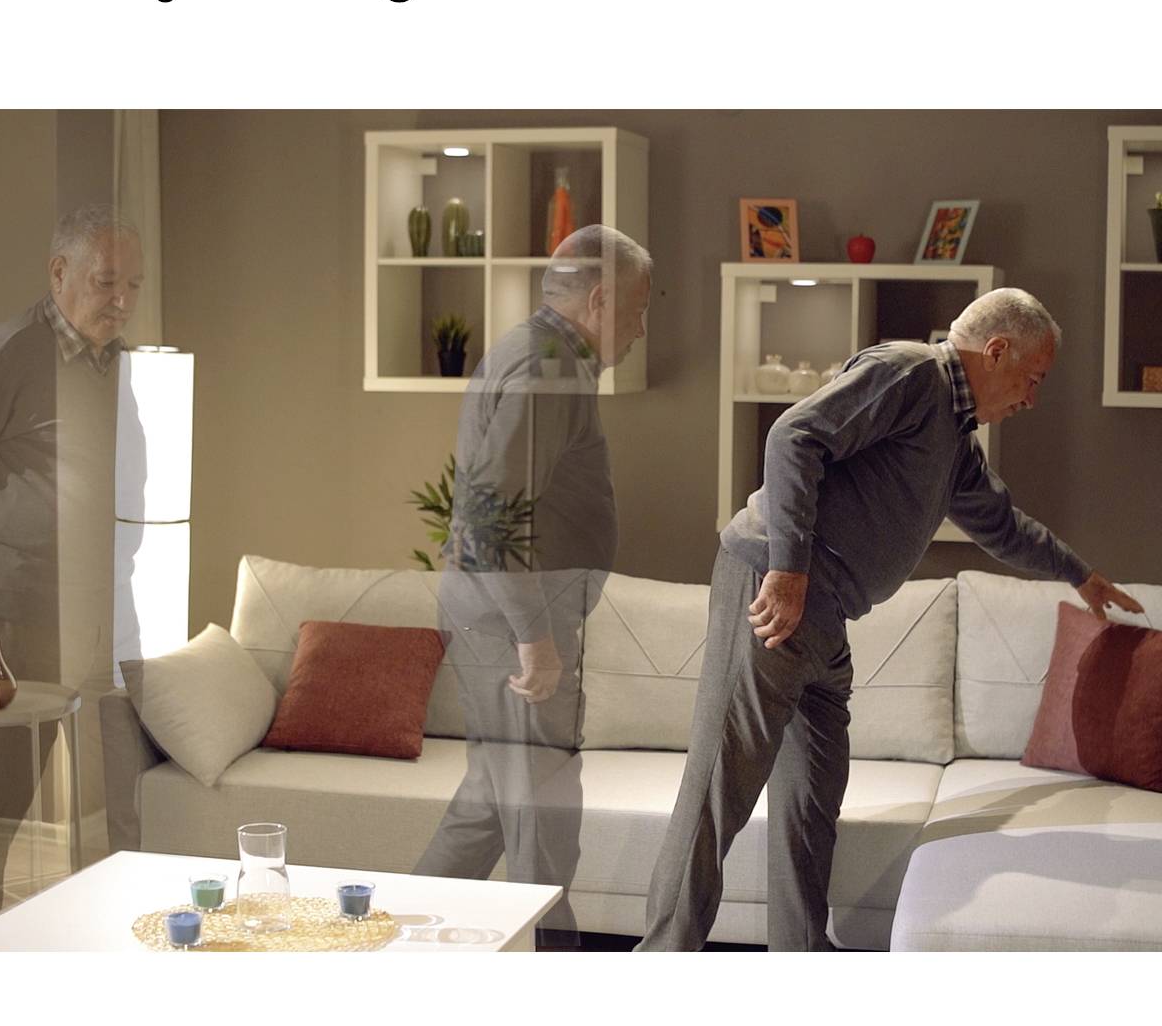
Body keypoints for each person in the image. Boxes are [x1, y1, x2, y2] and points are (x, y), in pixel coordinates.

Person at [636, 287, 1143, 952]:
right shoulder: (911, 374)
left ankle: (800, 964)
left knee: (810, 807)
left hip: (826, 620)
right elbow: (794, 436)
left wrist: (1076, 571)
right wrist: (788, 571)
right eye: (1033, 378)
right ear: (996, 352)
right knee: (717, 794)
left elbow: (998, 523)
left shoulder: (956, 442)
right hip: (775, 594)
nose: (1031, 398)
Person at [414, 224, 651, 945]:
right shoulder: (550, 367)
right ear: (602, 298)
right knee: (542, 827)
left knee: (489, 806)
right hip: (512, 627)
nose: (641, 329)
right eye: (638, 309)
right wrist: (535, 640)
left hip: (495, 621)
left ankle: (395, 950)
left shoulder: (534, 350)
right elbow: (489, 521)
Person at [0, 204, 144, 902]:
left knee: (114, 784)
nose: (121, 301)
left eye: (133, 285)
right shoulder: (8, 353)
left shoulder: (118, 362)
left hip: (102, 610)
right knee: (3, 793)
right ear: (59, 272)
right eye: (105, 283)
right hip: (17, 613)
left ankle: (115, 918)